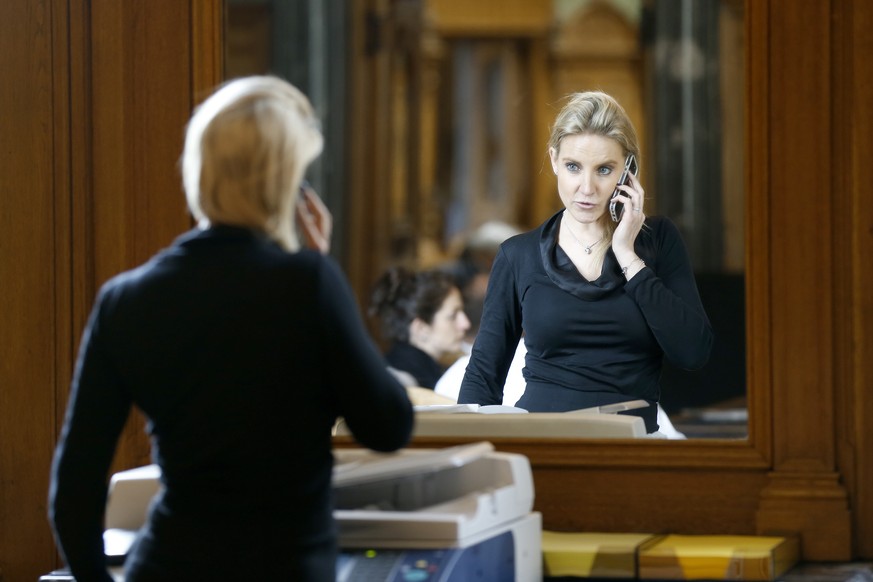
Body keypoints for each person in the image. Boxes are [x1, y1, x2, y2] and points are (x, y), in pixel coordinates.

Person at [48, 76, 414, 582]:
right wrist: (323, 278)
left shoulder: (125, 299)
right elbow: (388, 426)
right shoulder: (307, 282)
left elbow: (73, 487)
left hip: (166, 565)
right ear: (283, 184)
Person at [457, 91, 713, 434]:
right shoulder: (518, 255)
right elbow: (482, 376)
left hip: (630, 449)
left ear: (629, 171)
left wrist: (628, 256)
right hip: (542, 445)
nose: (587, 188)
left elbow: (693, 352)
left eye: (604, 170)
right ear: (554, 160)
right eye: (573, 167)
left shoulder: (658, 241)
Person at [369, 267, 471, 390]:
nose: (466, 324)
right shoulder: (407, 382)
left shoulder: (431, 372)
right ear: (421, 328)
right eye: (453, 316)